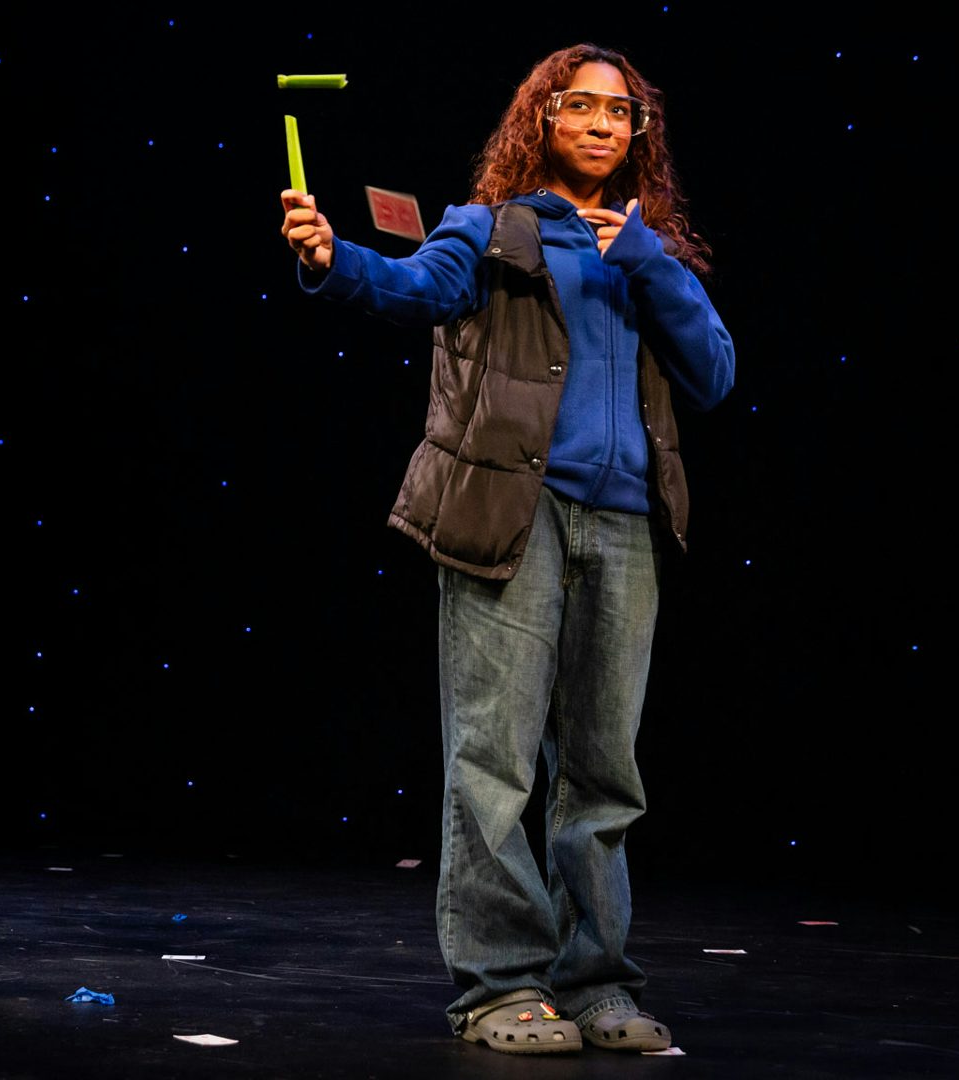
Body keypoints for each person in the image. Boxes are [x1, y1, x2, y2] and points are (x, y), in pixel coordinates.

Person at [280, 44, 733, 1054]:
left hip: (625, 528)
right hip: (511, 519)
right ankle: (498, 986)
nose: (604, 123)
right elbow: (413, 288)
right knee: (494, 762)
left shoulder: (649, 249)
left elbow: (714, 372)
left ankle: (596, 983)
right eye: (582, 105)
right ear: (543, 119)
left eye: (622, 112)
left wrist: (647, 262)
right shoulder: (490, 228)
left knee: (605, 772)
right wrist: (330, 258)